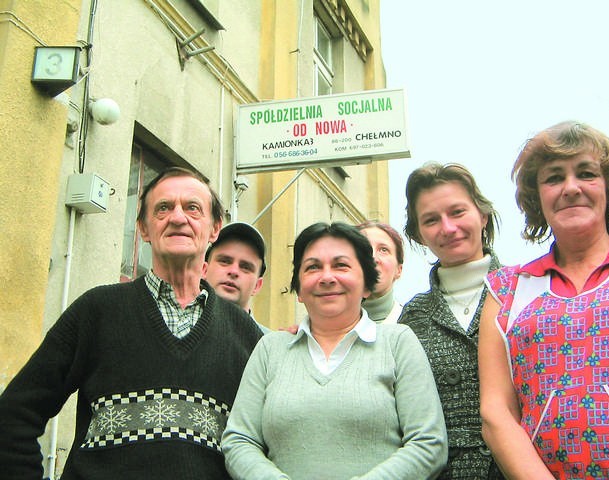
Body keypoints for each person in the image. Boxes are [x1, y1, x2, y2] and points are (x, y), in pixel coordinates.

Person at [0, 167, 263, 479]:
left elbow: (268, 444)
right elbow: (13, 416)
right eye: (163, 208)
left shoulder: (248, 337)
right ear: (143, 228)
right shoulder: (96, 311)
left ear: (214, 228)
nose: (178, 217)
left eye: (192, 208)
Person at [221, 221, 447, 479]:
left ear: (366, 284)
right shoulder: (271, 349)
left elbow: (429, 442)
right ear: (299, 289)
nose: (327, 277)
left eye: (341, 265)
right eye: (313, 267)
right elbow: (239, 440)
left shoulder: (398, 343)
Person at [479, 121, 609, 478]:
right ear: (537, 196)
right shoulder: (507, 289)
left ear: (608, 188)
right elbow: (496, 413)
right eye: (553, 178)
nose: (570, 188)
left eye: (586, 174)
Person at [398, 162, 505, 479]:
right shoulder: (413, 317)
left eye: (457, 212)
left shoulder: (524, 292)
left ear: (482, 215)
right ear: (418, 233)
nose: (447, 227)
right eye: (431, 220)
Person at [205, 222, 270, 333]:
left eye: (245, 267)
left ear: (257, 286)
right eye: (225, 261)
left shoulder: (270, 346)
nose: (234, 271)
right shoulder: (178, 331)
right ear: (204, 270)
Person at [358, 221, 404, 323]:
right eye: (364, 249)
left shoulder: (417, 326)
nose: (373, 257)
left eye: (383, 250)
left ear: (399, 270)